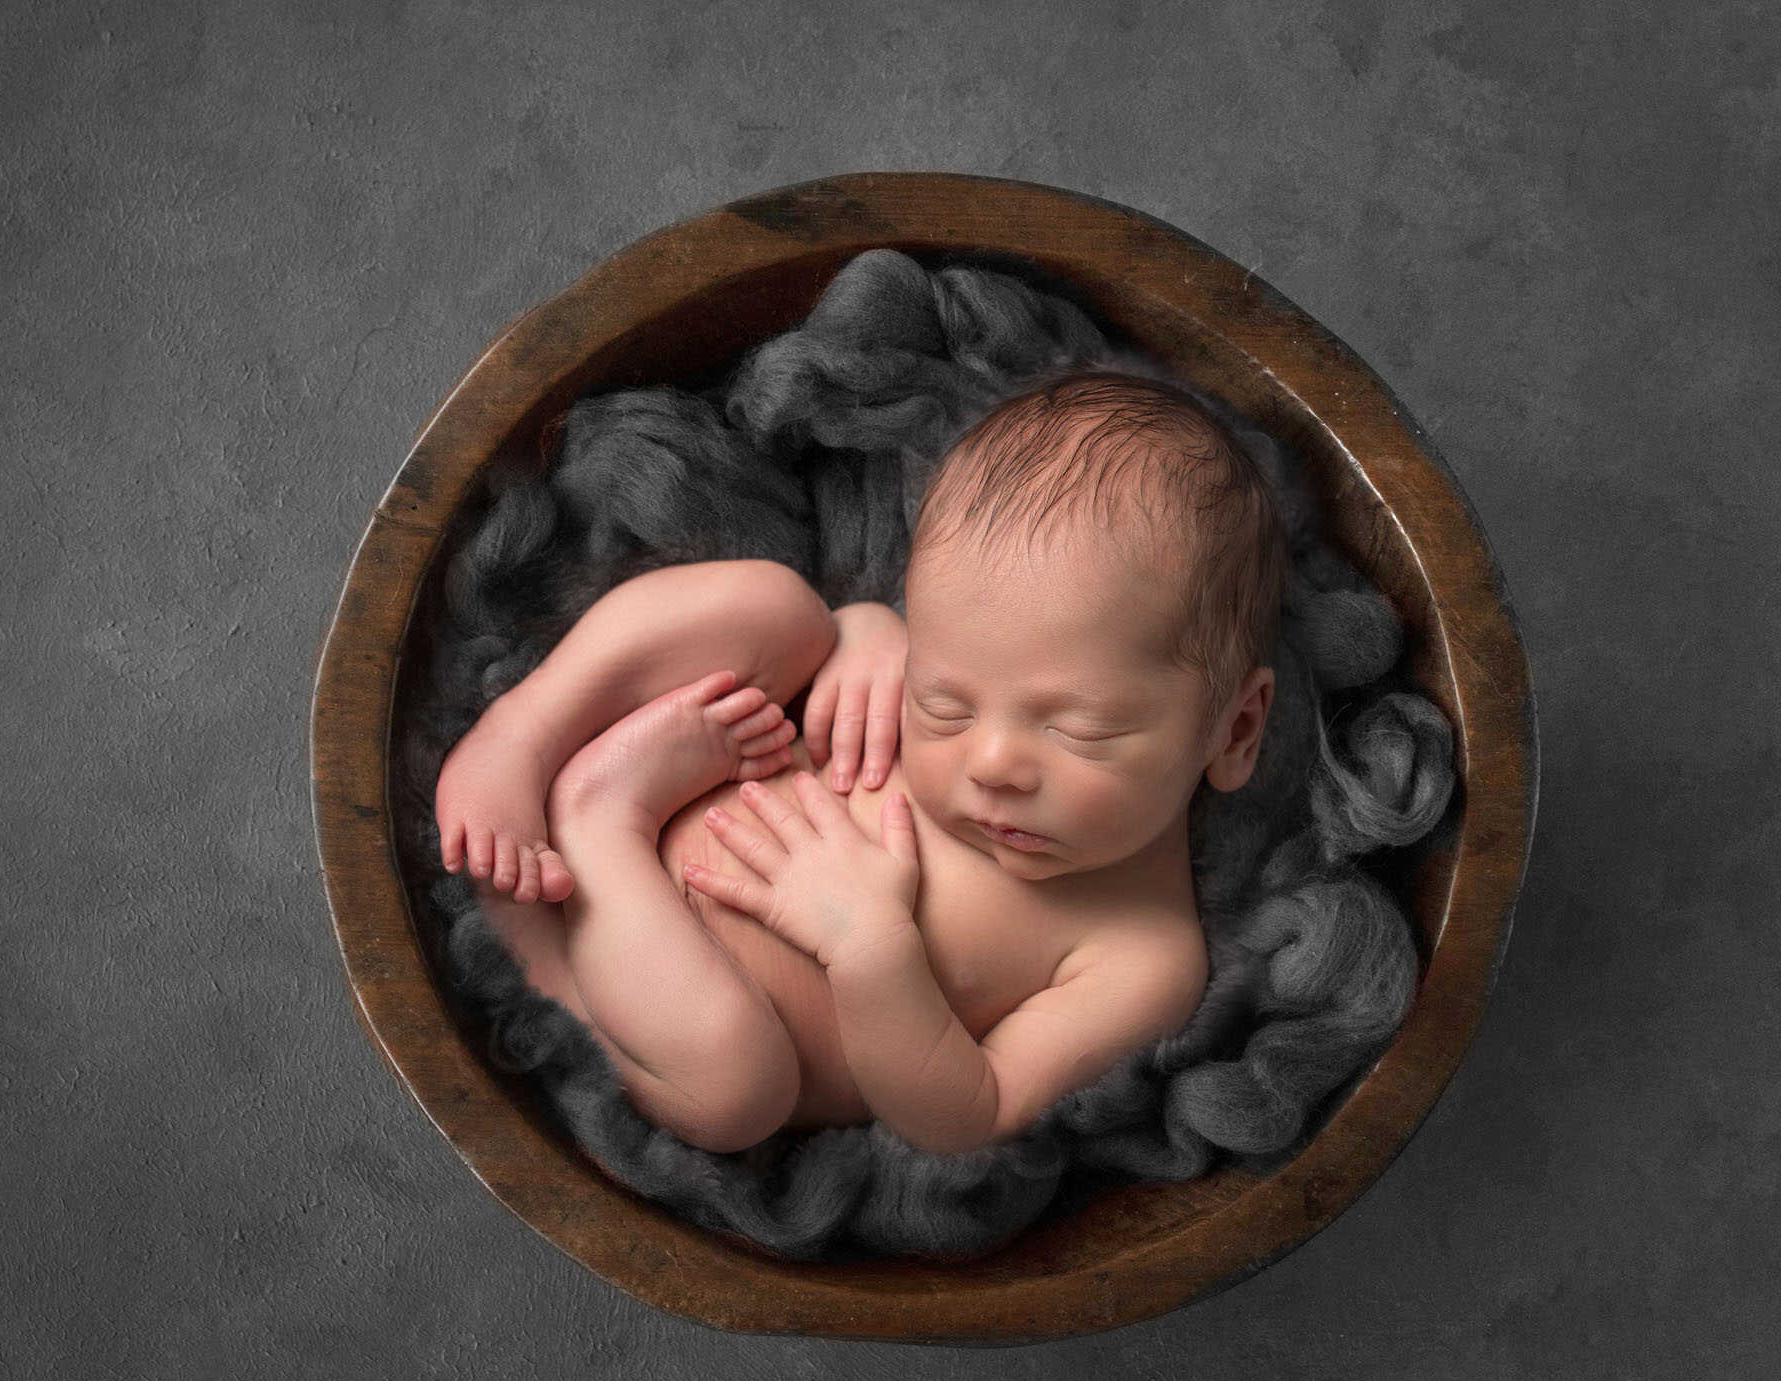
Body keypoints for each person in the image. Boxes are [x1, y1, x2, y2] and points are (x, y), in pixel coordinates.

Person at [433, 368, 1286, 1155]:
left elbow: (971, 1113)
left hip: (636, 975)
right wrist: (865, 639)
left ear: (1235, 729)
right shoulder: (964, 655)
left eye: (1078, 731)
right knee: (779, 608)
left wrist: (872, 949)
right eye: (943, 703)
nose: (990, 761)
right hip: (709, 755)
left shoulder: (1145, 957)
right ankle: (527, 729)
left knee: (736, 1089)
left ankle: (592, 834)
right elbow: (862, 663)